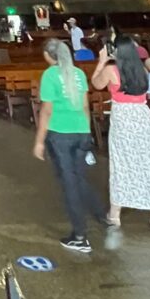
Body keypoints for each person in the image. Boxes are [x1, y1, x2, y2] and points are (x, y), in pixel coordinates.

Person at [91, 35, 150, 231]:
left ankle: (115, 214)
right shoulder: (143, 70)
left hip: (123, 118)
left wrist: (101, 61)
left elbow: (96, 84)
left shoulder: (112, 70)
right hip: (144, 117)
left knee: (122, 163)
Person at [33, 38, 105, 253]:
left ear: (48, 55)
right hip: (80, 132)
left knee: (69, 184)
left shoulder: (50, 75)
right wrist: (87, 132)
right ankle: (103, 216)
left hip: (60, 133)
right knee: (79, 178)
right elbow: (85, 106)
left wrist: (39, 141)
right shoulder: (78, 73)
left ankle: (80, 235)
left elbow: (46, 111)